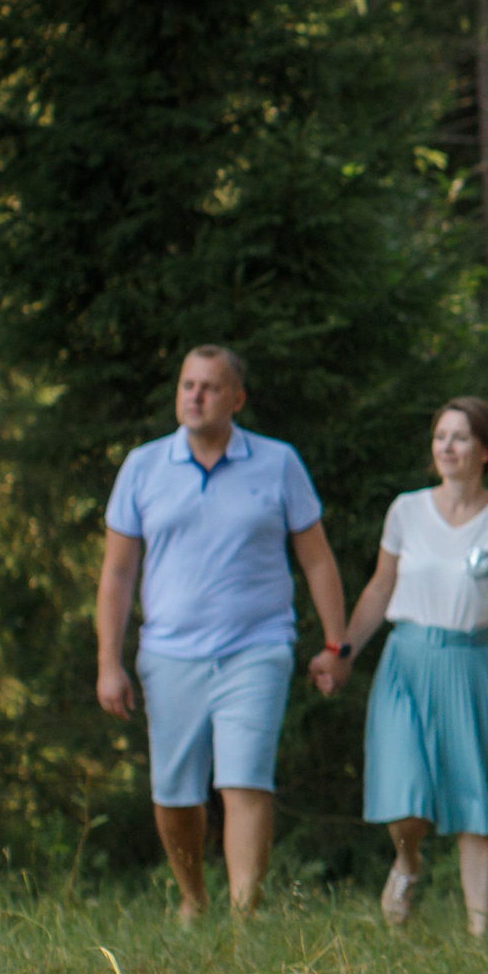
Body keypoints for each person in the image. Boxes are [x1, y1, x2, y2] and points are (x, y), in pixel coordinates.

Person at [96, 346, 350, 919]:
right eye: (188, 384)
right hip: (169, 652)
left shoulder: (278, 462)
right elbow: (116, 573)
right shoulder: (143, 466)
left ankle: (243, 918)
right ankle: (193, 898)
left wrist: (336, 645)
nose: (195, 396)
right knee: (175, 794)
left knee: (245, 780)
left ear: (236, 398)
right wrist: (108, 661)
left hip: (257, 648)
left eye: (210, 387)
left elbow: (316, 560)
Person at [328, 397, 488, 938]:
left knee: (477, 805)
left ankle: (480, 940)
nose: (446, 447)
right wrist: (343, 654)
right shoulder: (406, 510)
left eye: (460, 437)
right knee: (404, 792)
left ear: (487, 451)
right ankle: (407, 861)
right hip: (407, 663)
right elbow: (381, 587)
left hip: (473, 665)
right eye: (440, 436)